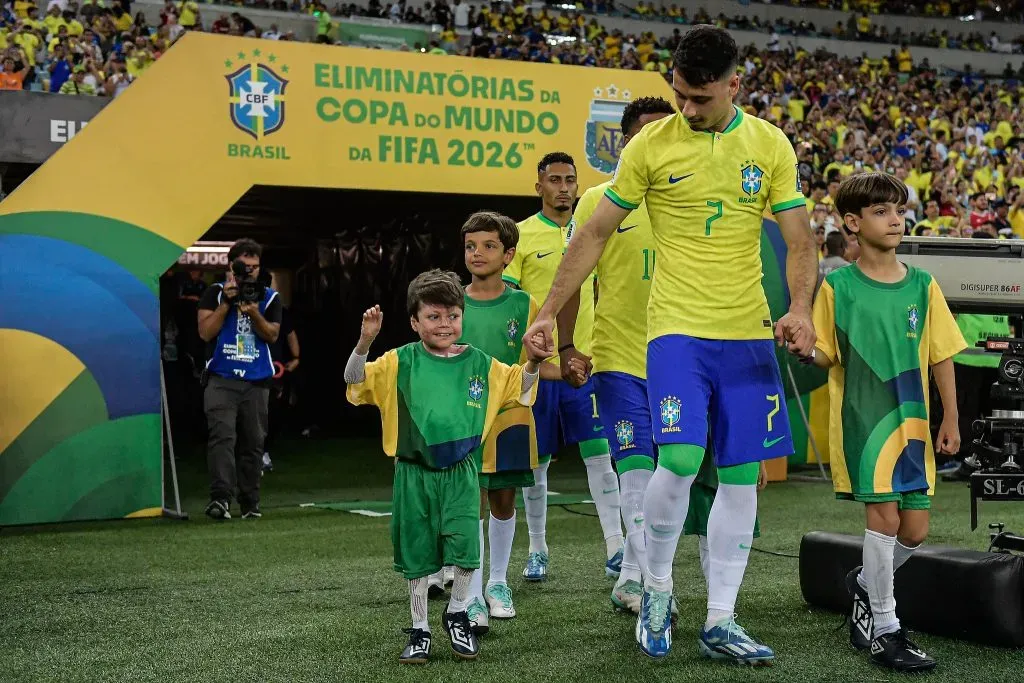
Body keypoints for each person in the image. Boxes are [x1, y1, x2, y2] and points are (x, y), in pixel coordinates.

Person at [524, 26, 817, 663]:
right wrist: (549, 312)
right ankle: (654, 587)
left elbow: (800, 241)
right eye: (679, 95)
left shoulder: (769, 144)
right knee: (679, 462)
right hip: (676, 333)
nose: (686, 108)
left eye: (699, 98)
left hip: (746, 335)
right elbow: (594, 235)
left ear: (735, 85)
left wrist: (800, 309)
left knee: (742, 478)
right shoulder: (651, 147)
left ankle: (721, 618)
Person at [345, 269, 547, 664]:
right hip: (413, 473)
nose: (445, 324)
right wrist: (365, 342)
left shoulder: (480, 363)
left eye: (452, 315)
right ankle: (419, 629)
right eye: (434, 317)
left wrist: (535, 361)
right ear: (414, 322)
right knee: (418, 553)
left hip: (462, 472)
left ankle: (457, 614)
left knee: (467, 550)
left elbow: (522, 388)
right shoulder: (398, 362)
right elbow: (353, 382)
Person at [808, 172, 964, 673]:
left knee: (915, 532)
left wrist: (951, 418)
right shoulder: (837, 286)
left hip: (914, 424)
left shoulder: (923, 284)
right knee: (885, 520)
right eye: (880, 211)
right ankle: (886, 630)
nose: (895, 218)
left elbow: (942, 355)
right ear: (852, 223)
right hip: (864, 421)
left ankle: (863, 582)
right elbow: (824, 354)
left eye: (898, 209)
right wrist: (797, 342)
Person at [503, 152, 624, 583]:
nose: (563, 187)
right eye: (553, 180)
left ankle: (615, 545)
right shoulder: (520, 234)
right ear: (539, 187)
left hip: (588, 363)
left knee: (599, 454)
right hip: (539, 369)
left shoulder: (597, 228)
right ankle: (537, 548)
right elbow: (512, 302)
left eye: (570, 179)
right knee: (537, 464)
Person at [457, 211, 567, 633]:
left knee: (504, 498)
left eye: (488, 246)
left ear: (509, 255)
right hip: (464, 416)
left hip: (512, 413)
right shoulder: (452, 299)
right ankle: (469, 594)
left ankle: (498, 584)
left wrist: (562, 365)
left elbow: (539, 362)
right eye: (470, 246)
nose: (477, 253)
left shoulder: (525, 304)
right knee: (473, 502)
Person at [198, 238, 281, 520]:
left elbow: (272, 335)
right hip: (222, 377)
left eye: (255, 267)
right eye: (244, 267)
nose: (250, 272)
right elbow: (205, 333)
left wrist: (254, 311)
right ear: (232, 266)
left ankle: (250, 502)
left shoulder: (269, 297)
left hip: (257, 380)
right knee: (222, 437)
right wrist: (227, 304)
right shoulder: (215, 293)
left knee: (253, 442)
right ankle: (221, 499)